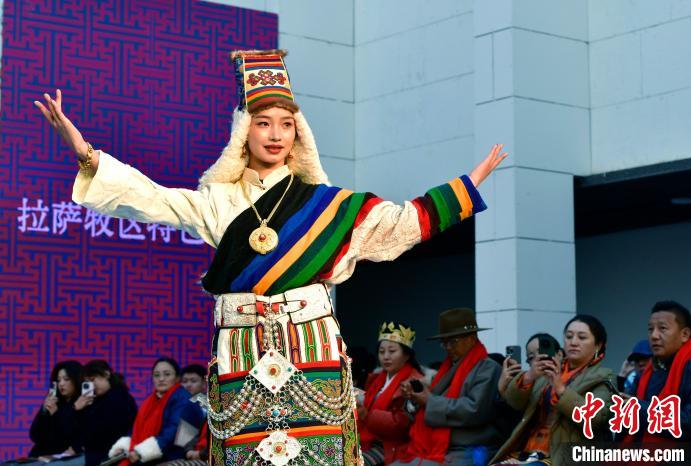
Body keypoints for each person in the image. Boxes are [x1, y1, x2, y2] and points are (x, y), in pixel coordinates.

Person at [34, 49, 506, 465]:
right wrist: (87, 155)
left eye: (286, 124)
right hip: (241, 347)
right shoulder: (218, 201)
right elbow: (152, 198)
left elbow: (398, 224)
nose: (275, 134)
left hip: (311, 345)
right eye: (263, 122)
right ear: (244, 131)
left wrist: (465, 188)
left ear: (299, 134)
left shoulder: (325, 204)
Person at [491, 315, 614, 465]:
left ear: (598, 345)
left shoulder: (603, 376)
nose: (573, 342)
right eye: (569, 336)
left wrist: (560, 388)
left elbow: (595, 420)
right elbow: (515, 404)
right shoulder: (550, 369)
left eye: (582, 337)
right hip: (528, 450)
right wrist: (529, 376)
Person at [391, 308, 504, 466]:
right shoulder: (448, 369)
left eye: (453, 341)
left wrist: (429, 401)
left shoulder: (488, 368)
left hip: (470, 448)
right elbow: (430, 405)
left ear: (472, 338)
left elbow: (474, 409)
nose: (448, 347)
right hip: (439, 445)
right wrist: (415, 398)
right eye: (444, 343)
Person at [624, 301, 691, 442]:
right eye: (650, 329)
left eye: (662, 328)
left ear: (685, 334)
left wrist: (641, 410)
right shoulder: (647, 371)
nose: (654, 336)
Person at [357, 322, 424, 465]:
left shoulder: (413, 383)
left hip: (391, 446)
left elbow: (403, 425)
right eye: (382, 352)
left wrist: (366, 415)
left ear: (407, 355)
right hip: (370, 439)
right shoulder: (377, 379)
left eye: (392, 351)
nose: (386, 356)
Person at [107, 357, 194, 464]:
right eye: (156, 375)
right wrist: (124, 447)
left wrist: (141, 452)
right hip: (146, 456)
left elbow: (174, 431)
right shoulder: (150, 400)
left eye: (167, 374)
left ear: (177, 378)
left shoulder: (184, 399)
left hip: (172, 457)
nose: (161, 379)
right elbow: (136, 430)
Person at [77, 360, 138, 466]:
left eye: (93, 380)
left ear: (106, 374)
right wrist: (79, 409)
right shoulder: (96, 400)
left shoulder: (120, 398)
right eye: (87, 382)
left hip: (113, 459)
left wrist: (83, 412)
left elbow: (97, 434)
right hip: (97, 458)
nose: (91, 386)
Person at [29, 360, 83, 459]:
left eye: (66, 379)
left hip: (63, 457)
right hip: (40, 455)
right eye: (58, 380)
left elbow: (69, 437)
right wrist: (43, 412)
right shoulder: (54, 402)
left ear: (77, 379)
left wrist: (56, 415)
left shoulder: (83, 403)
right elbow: (34, 435)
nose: (61, 384)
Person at [497, 333, 564, 397]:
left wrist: (560, 388)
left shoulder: (569, 376)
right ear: (528, 363)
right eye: (531, 357)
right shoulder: (529, 384)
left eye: (543, 353)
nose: (538, 358)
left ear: (560, 355)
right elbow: (516, 404)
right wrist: (502, 389)